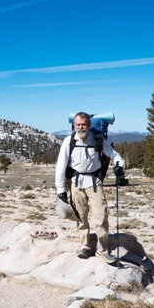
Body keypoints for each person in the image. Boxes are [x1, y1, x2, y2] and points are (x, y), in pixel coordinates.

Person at [55, 112, 125, 264]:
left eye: (84, 124)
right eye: (78, 124)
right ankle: (85, 246)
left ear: (89, 125)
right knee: (81, 216)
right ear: (74, 126)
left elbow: (114, 155)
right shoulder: (69, 141)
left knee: (101, 215)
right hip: (76, 183)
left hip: (94, 183)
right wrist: (60, 189)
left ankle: (103, 250)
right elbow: (60, 166)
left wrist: (119, 166)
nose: (81, 127)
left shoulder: (98, 140)